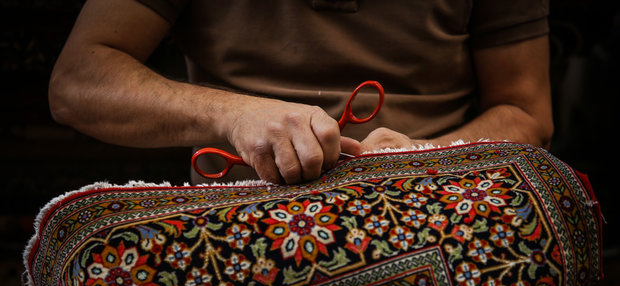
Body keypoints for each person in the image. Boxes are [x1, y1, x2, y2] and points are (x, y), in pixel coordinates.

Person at [48, 0, 554, 185]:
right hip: (241, 217)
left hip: (435, 206)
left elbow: (525, 112)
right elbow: (78, 82)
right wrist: (236, 115)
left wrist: (421, 157)